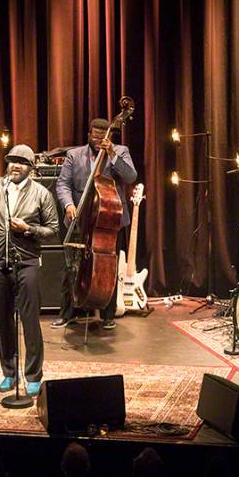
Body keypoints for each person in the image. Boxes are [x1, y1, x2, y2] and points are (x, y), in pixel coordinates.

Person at [0, 144, 59, 396]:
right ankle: (9, 372)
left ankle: (33, 375)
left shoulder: (41, 194)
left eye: (22, 162)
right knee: (3, 320)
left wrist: (28, 229)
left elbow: (53, 230)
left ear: (31, 168)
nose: (15, 166)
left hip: (27, 262)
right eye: (12, 161)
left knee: (30, 321)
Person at [52, 118, 138, 330]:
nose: (99, 141)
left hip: (109, 218)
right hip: (80, 217)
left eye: (103, 137)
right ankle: (67, 313)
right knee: (72, 267)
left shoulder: (121, 151)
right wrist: (68, 205)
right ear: (89, 135)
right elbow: (63, 184)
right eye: (96, 137)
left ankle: (107, 314)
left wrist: (112, 154)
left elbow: (130, 176)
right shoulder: (74, 155)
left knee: (108, 266)